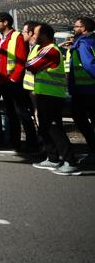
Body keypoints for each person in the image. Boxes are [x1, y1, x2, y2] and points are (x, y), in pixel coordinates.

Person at [26, 23, 81, 175]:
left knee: (54, 128)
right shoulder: (43, 49)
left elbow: (31, 65)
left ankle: (71, 161)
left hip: (52, 96)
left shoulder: (50, 50)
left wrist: (33, 63)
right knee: (44, 127)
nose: (32, 36)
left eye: (35, 33)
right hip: (44, 93)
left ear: (43, 35)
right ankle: (53, 158)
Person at [0, 12, 39, 153]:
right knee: (10, 113)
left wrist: (13, 79)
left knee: (21, 113)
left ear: (5, 22)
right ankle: (15, 142)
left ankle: (32, 142)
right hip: (2, 82)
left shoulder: (17, 37)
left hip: (14, 82)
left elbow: (21, 61)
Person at [67, 16, 95, 162]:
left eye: (76, 26)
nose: (74, 28)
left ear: (83, 29)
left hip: (84, 90)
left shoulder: (83, 44)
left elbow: (89, 65)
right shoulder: (91, 41)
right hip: (89, 90)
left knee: (80, 118)